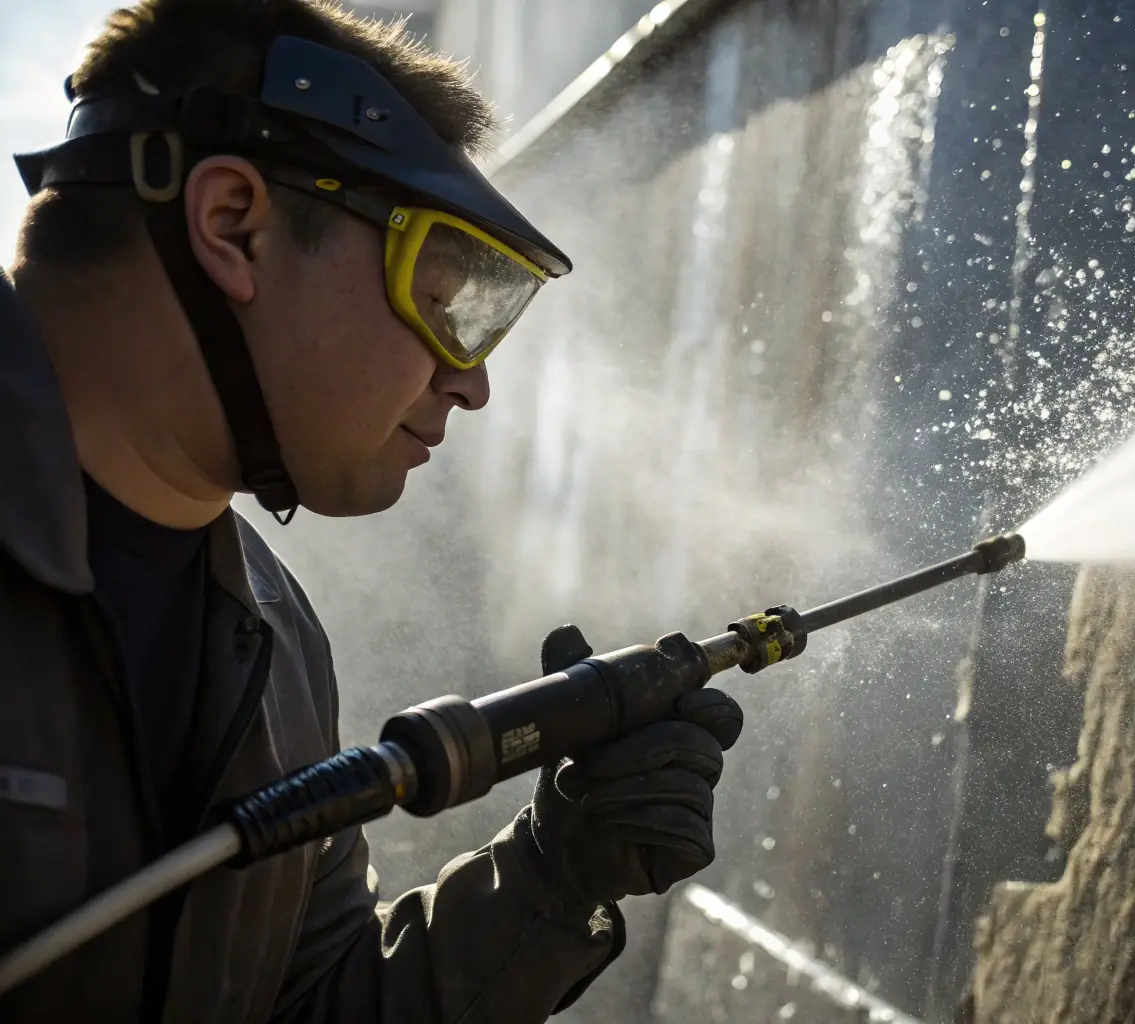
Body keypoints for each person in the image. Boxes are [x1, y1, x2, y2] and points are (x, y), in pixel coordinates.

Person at [0, 1, 743, 1021]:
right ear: (234, 224)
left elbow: (307, 1003)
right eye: (442, 295)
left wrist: (551, 879)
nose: (469, 382)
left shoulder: (277, 637)